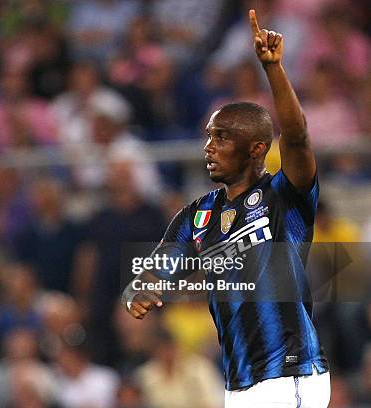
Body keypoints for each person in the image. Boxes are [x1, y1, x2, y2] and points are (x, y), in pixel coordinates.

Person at [123, 10, 331, 407]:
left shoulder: (285, 198)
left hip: (291, 374)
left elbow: (299, 137)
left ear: (256, 149)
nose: (208, 147)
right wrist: (142, 287)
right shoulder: (195, 217)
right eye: (208, 136)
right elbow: (156, 269)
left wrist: (273, 70)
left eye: (221, 137)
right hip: (237, 383)